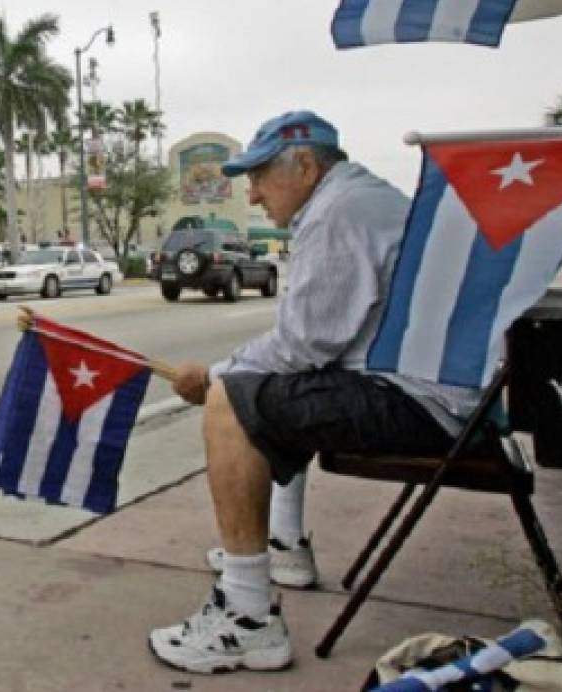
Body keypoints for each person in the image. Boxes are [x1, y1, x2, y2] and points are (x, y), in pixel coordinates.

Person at [148, 111, 479, 676]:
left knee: (234, 398)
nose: (252, 196)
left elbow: (303, 344)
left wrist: (211, 378)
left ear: (304, 164)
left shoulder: (339, 213)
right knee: (267, 389)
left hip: (422, 402)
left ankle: (247, 620)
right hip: (448, 395)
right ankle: (280, 545)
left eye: (258, 177)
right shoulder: (361, 199)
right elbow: (310, 350)